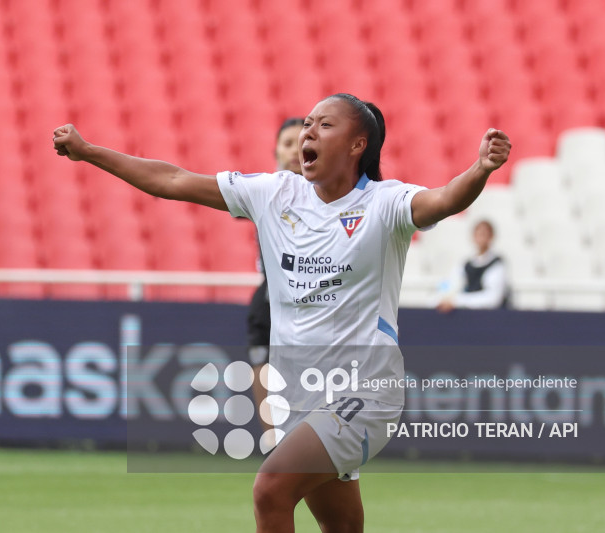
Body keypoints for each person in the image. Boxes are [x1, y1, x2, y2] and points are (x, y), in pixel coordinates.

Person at [53, 93, 510, 533]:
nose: (308, 131)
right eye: (307, 123)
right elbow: (172, 180)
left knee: (270, 490)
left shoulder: (385, 203)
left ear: (357, 145)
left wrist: (481, 168)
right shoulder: (274, 193)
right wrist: (89, 151)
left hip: (364, 393)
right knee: (341, 525)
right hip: (299, 397)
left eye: (324, 124)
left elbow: (445, 199)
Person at [248, 117, 304, 435]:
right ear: (276, 152)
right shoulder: (264, 191)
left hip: (316, 300)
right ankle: (273, 442)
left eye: (302, 143)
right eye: (287, 144)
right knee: (264, 368)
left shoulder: (334, 196)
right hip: (271, 296)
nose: (295, 150)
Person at [436, 219, 509, 311]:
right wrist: (442, 298)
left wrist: (458, 301)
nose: (481, 238)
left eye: (484, 234)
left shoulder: (497, 265)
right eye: (478, 234)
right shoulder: (465, 265)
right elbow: (450, 284)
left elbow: (493, 299)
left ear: (491, 237)